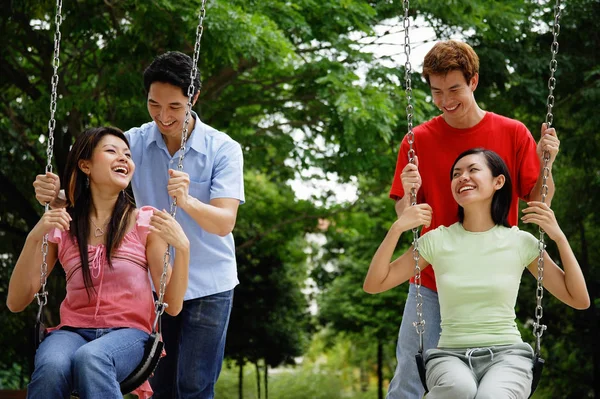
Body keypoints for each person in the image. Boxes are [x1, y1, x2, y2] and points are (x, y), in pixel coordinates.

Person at [34, 51, 245, 399]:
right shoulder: (134, 143)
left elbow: (225, 223)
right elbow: (96, 182)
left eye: (174, 107)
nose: (163, 116)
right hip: (154, 282)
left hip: (209, 283)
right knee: (156, 383)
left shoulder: (223, 149)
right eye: (154, 104)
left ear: (193, 98)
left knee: (194, 385)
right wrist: (55, 194)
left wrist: (187, 200)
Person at [386, 40, 561, 398]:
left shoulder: (512, 133)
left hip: (491, 282)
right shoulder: (416, 140)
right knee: (409, 376)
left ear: (474, 81)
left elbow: (539, 202)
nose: (445, 100)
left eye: (454, 89)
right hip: (434, 280)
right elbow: (406, 214)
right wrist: (406, 195)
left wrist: (547, 163)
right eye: (436, 91)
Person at [365, 148, 589, 398]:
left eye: (473, 170)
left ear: (498, 181)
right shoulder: (436, 240)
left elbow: (579, 299)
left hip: (508, 356)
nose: (462, 177)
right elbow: (374, 284)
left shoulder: (520, 242)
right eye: (456, 174)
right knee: (459, 389)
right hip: (450, 357)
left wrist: (559, 237)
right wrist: (397, 228)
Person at [8, 127, 190, 399]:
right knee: (51, 364)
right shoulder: (64, 225)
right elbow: (15, 301)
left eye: (127, 154)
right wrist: (35, 235)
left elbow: (173, 305)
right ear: (85, 165)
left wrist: (183, 249)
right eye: (111, 151)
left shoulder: (144, 222)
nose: (123, 159)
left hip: (129, 335)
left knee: (92, 357)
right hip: (72, 332)